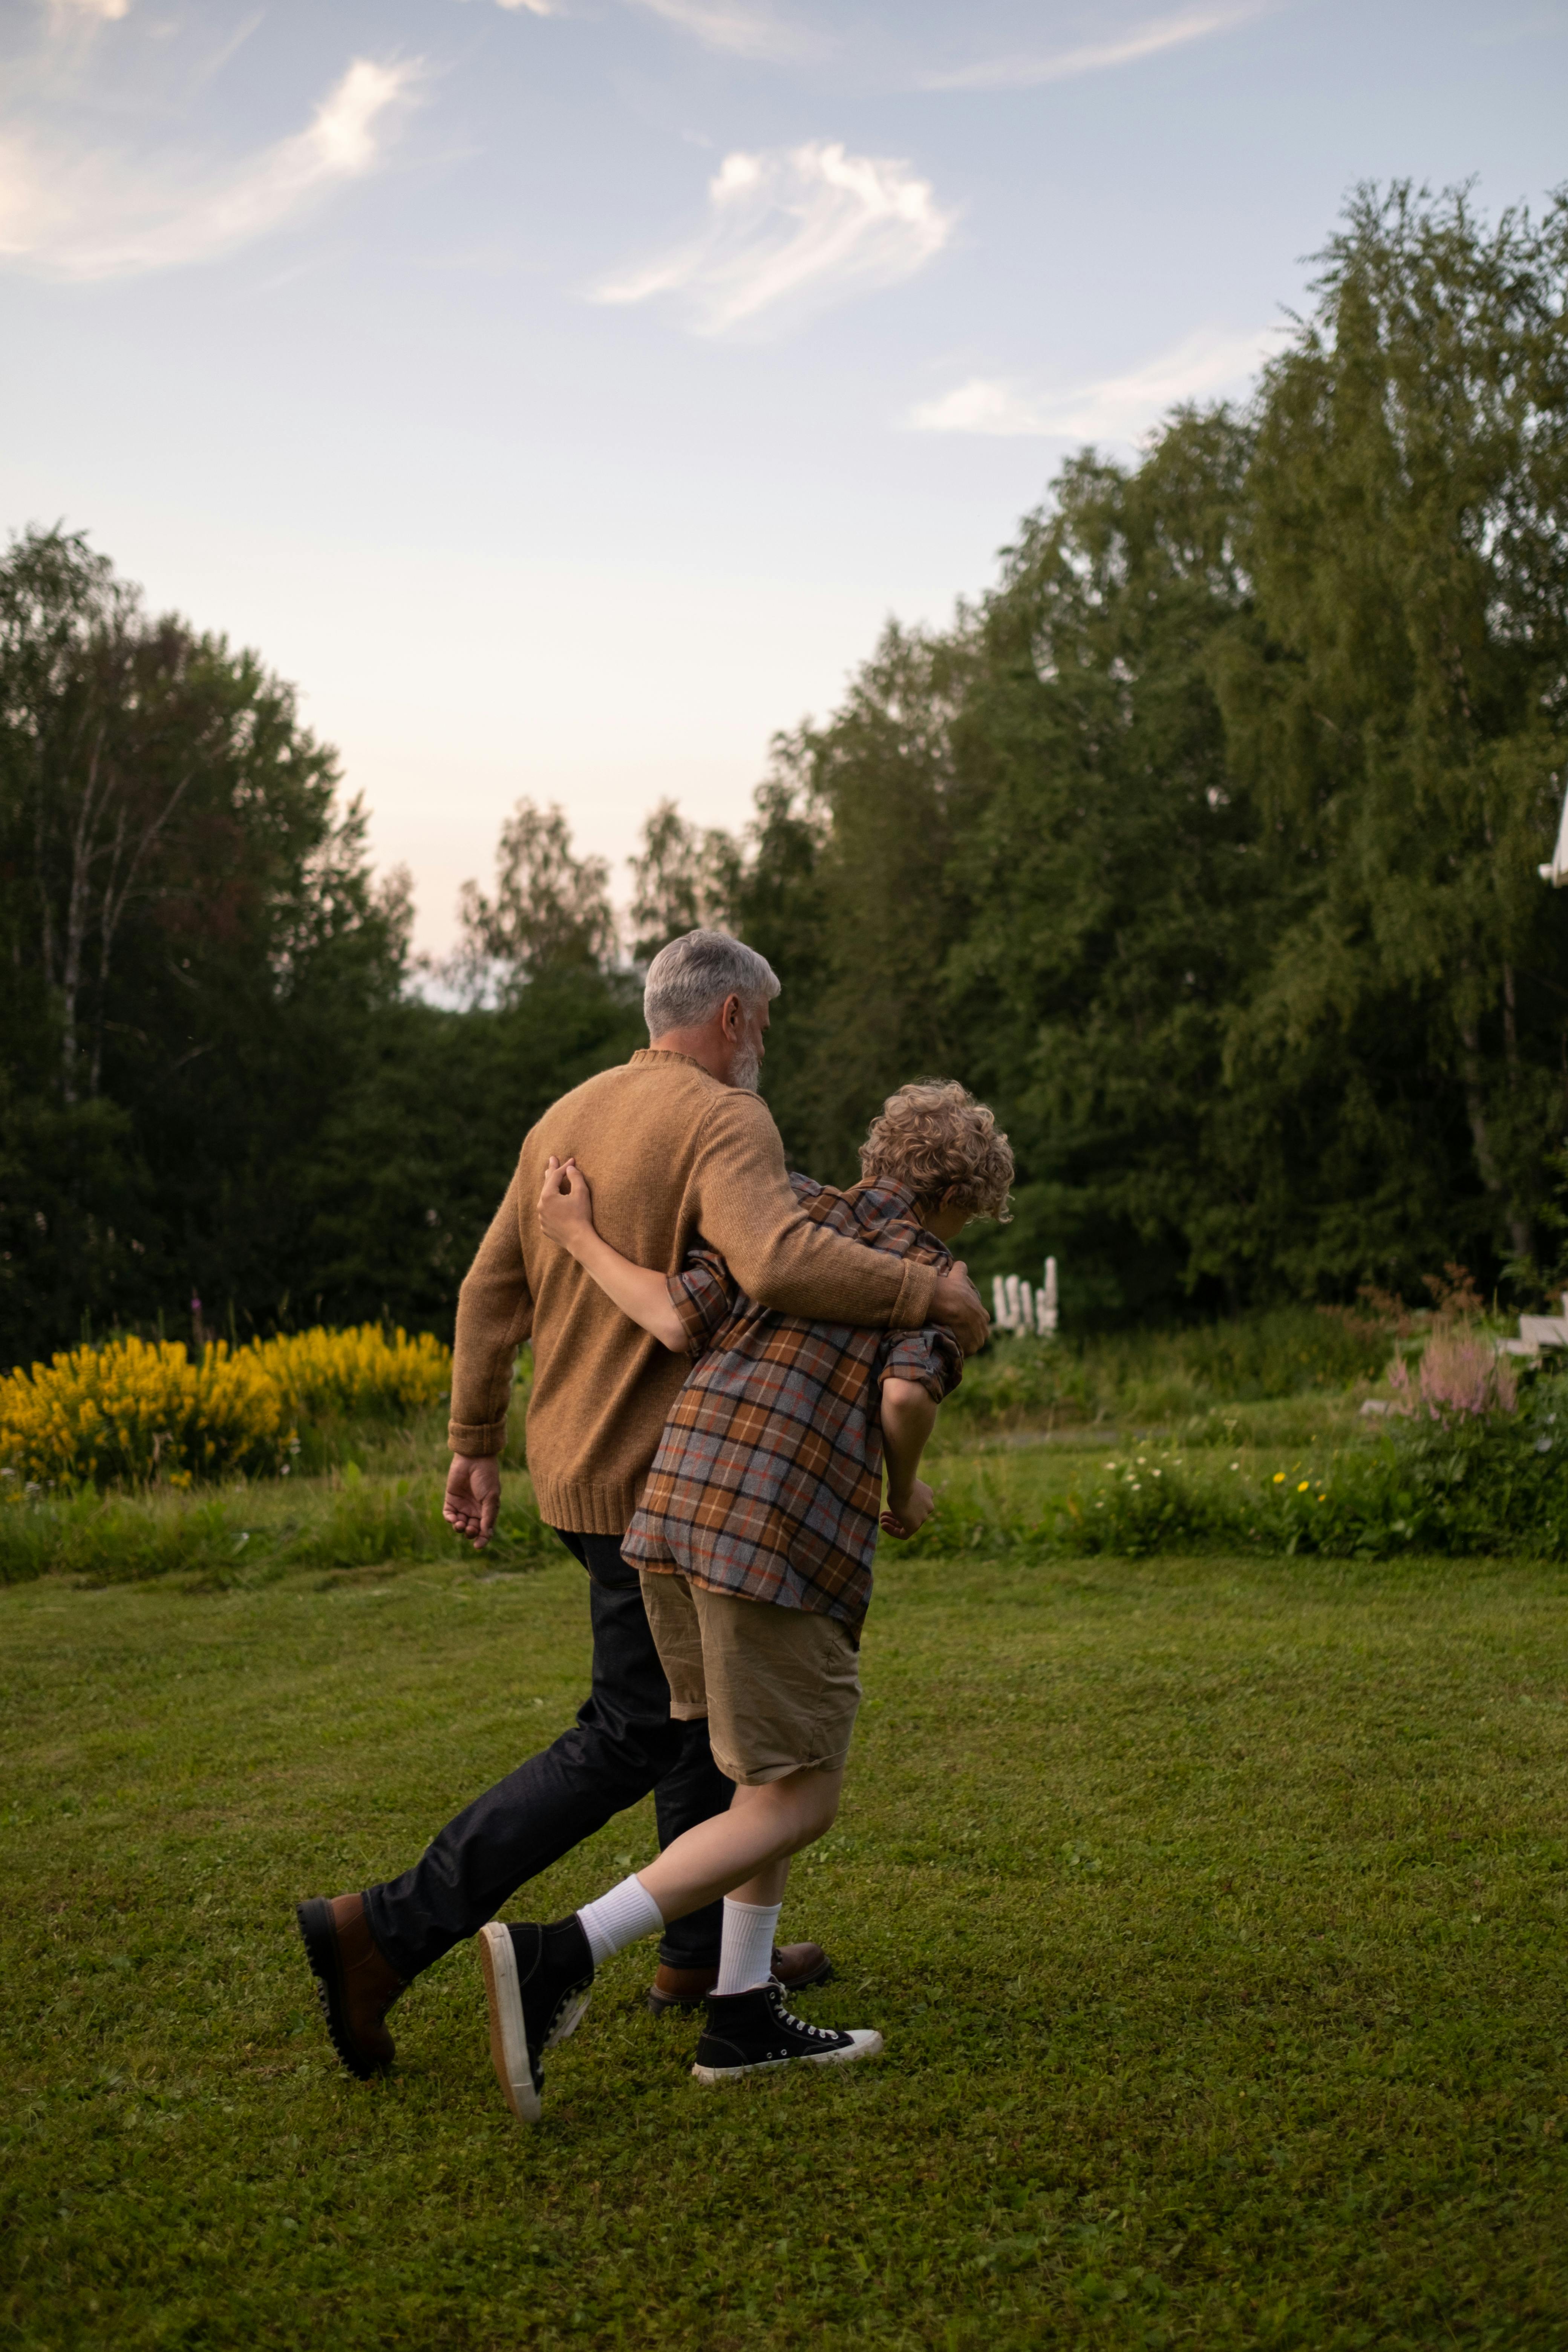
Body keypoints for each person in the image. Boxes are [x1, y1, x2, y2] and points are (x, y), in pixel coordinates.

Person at [296, 933, 989, 2079]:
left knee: (696, 1718)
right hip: (660, 1473)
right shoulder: (727, 1118)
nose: (763, 1043)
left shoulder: (562, 1118)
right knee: (640, 1730)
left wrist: (473, 1441)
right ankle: (389, 1928)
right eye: (762, 1022)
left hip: (572, 1466)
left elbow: (487, 1290)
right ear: (728, 1018)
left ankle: (705, 1955)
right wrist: (932, 1292)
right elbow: (770, 1262)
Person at [475, 1079, 1013, 2120]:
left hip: (673, 1513)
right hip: (774, 1534)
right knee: (804, 1793)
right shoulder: (937, 1275)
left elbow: (669, 1310)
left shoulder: (795, 1213)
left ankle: (742, 2011)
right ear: (966, 1198)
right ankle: (561, 1953)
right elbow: (904, 1397)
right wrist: (902, 1490)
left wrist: (578, 1236)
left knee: (755, 1781)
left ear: (883, 1154)